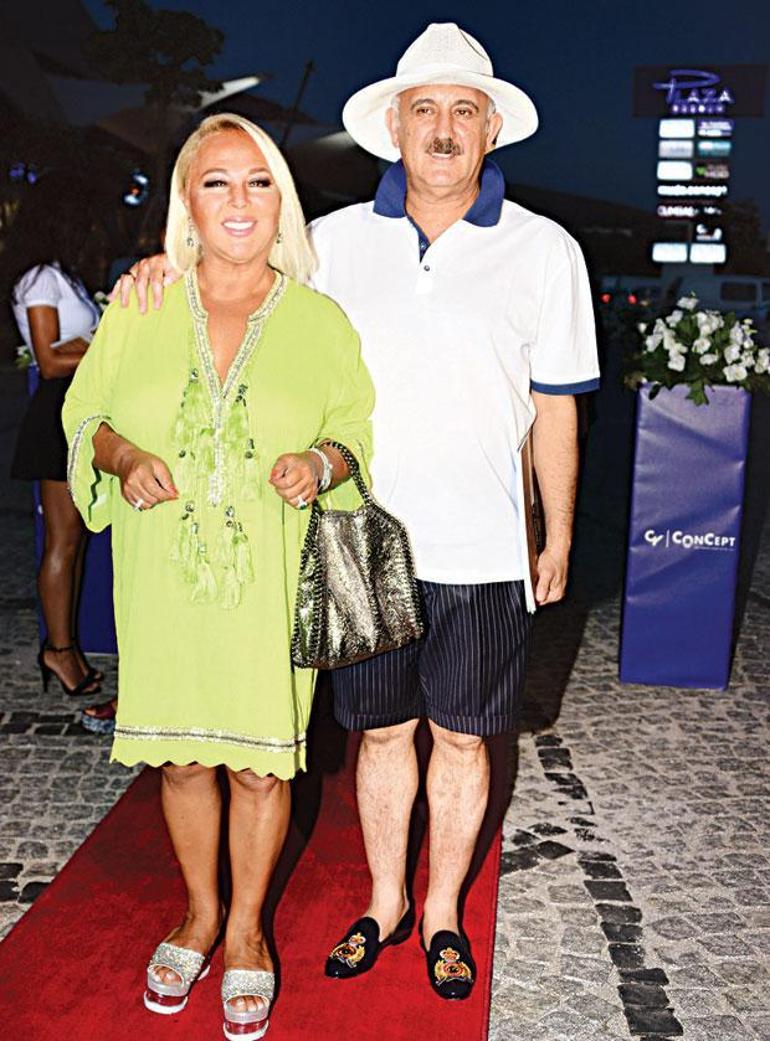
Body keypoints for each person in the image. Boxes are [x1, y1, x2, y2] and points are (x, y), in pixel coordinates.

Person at [115, 22, 600, 1002]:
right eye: (424, 109)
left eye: (462, 110)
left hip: (483, 546)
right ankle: (384, 901)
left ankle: (442, 912)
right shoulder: (330, 244)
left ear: (491, 128)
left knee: (463, 737)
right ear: (394, 125)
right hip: (355, 536)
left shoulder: (545, 250)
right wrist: (158, 268)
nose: (442, 128)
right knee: (379, 736)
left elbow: (555, 405)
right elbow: (234, 275)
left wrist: (554, 533)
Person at [64, 113, 373, 1039]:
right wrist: (122, 458)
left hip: (269, 579)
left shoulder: (319, 321)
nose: (240, 201)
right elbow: (86, 415)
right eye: (216, 182)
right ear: (187, 204)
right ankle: (199, 913)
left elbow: (355, 433)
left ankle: (246, 932)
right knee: (184, 758)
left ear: (282, 201)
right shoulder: (141, 304)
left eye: (258, 181)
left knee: (261, 771)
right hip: (162, 574)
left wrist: (318, 463)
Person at [4, 178, 106, 715]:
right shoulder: (41, 278)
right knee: (63, 543)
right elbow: (48, 360)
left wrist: (90, 345)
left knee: (75, 540)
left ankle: (64, 647)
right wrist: (107, 346)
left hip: (77, 408)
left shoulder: (63, 276)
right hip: (57, 411)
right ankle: (59, 651)